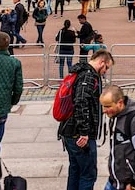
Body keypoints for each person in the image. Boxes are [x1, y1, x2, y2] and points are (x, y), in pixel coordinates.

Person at [58, 49, 115, 190]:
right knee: (88, 174)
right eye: (106, 67)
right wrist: (84, 131)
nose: (105, 71)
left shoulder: (79, 72)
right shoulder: (88, 76)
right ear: (102, 62)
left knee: (75, 171)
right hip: (80, 135)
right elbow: (81, 101)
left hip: (69, 131)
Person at [100, 84, 135, 190]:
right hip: (115, 181)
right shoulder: (115, 117)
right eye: (103, 106)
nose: (104, 110)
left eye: (107, 106)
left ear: (119, 103)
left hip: (131, 185)